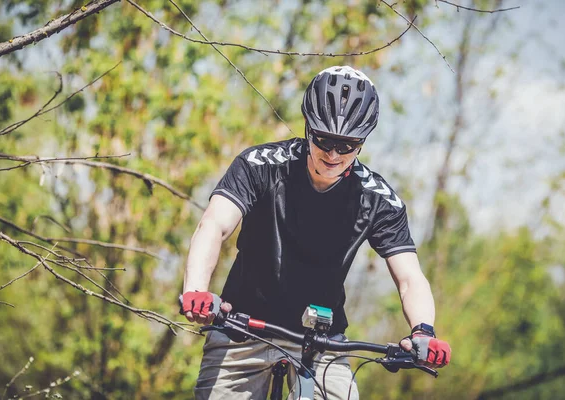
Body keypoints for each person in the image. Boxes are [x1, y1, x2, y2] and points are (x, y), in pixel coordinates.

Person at [181, 65, 451, 400]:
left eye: (347, 145)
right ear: (308, 127)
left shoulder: (378, 198)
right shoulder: (260, 164)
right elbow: (214, 225)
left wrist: (423, 330)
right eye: (324, 140)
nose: (334, 154)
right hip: (241, 327)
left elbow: (410, 276)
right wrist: (196, 290)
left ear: (362, 143)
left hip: (322, 342)